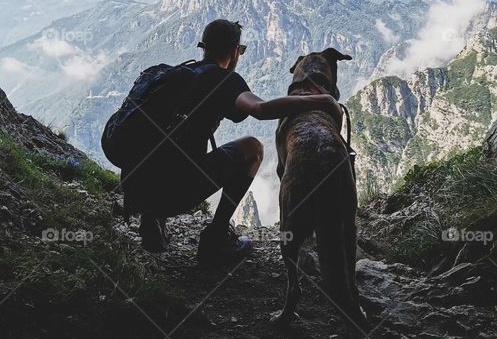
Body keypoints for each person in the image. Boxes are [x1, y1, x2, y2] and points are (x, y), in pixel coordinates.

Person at [121, 19, 342, 266]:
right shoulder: (224, 80)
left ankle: (152, 219)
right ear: (235, 51)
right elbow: (260, 108)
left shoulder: (174, 74)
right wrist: (323, 101)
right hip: (174, 192)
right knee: (253, 149)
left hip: (134, 188)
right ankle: (216, 241)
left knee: (167, 154)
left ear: (203, 47)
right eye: (241, 50)